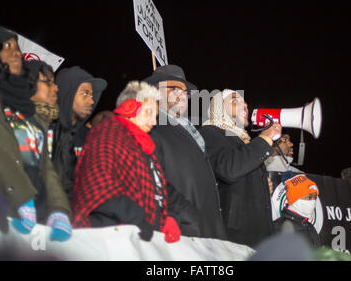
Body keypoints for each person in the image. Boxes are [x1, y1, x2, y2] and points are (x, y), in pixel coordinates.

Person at [0, 27, 71, 241]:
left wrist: (59, 209)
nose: (15, 53)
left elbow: (43, 165)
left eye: (16, 47)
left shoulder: (20, 105)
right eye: (5, 46)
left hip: (29, 213)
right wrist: (21, 195)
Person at [71, 81, 181, 243]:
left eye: (155, 116)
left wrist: (166, 218)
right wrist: (136, 217)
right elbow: (100, 183)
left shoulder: (143, 147)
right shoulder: (108, 133)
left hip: (136, 238)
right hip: (108, 238)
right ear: (129, 108)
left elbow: (153, 191)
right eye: (148, 113)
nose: (154, 122)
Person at [144, 64, 227, 240]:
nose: (182, 95)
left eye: (184, 91)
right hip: (181, 230)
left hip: (208, 227)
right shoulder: (151, 126)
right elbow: (152, 181)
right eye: (174, 89)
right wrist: (184, 216)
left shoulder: (190, 130)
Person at [199, 89, 281, 247]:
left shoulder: (245, 142)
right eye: (235, 101)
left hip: (258, 234)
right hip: (234, 236)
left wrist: (261, 186)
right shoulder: (210, 132)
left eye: (245, 103)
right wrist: (264, 139)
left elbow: (241, 172)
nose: (245, 105)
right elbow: (228, 169)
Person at [51, 66, 107, 200]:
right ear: (67, 93)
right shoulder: (45, 130)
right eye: (85, 93)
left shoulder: (89, 138)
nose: (92, 101)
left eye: (92, 95)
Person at [273, 171, 321, 248]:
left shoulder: (309, 227)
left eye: (314, 198)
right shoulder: (280, 228)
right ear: (295, 199)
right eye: (309, 197)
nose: (313, 202)